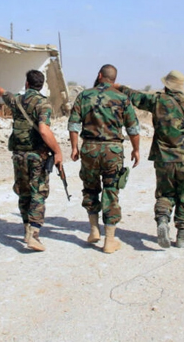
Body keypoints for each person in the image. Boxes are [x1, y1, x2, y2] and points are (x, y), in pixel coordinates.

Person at [114, 70, 184, 248]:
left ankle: (162, 221)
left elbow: (137, 97)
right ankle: (182, 235)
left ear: (166, 84)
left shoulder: (157, 100)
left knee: (165, 193)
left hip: (162, 158)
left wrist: (120, 87)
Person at [0, 70, 64, 251]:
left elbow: (1, 91)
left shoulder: (17, 100)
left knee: (24, 191)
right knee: (38, 192)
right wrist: (57, 151)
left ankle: (26, 228)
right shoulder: (43, 104)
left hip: (18, 155)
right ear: (41, 85)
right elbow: (43, 130)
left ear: (26, 84)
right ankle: (33, 234)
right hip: (36, 156)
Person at [68, 64, 140, 253]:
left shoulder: (84, 96)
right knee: (111, 191)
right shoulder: (122, 98)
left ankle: (93, 229)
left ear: (99, 75)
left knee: (90, 188)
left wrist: (75, 147)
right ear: (114, 79)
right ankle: (109, 240)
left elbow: (74, 124)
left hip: (90, 149)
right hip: (112, 151)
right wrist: (136, 150)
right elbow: (133, 128)